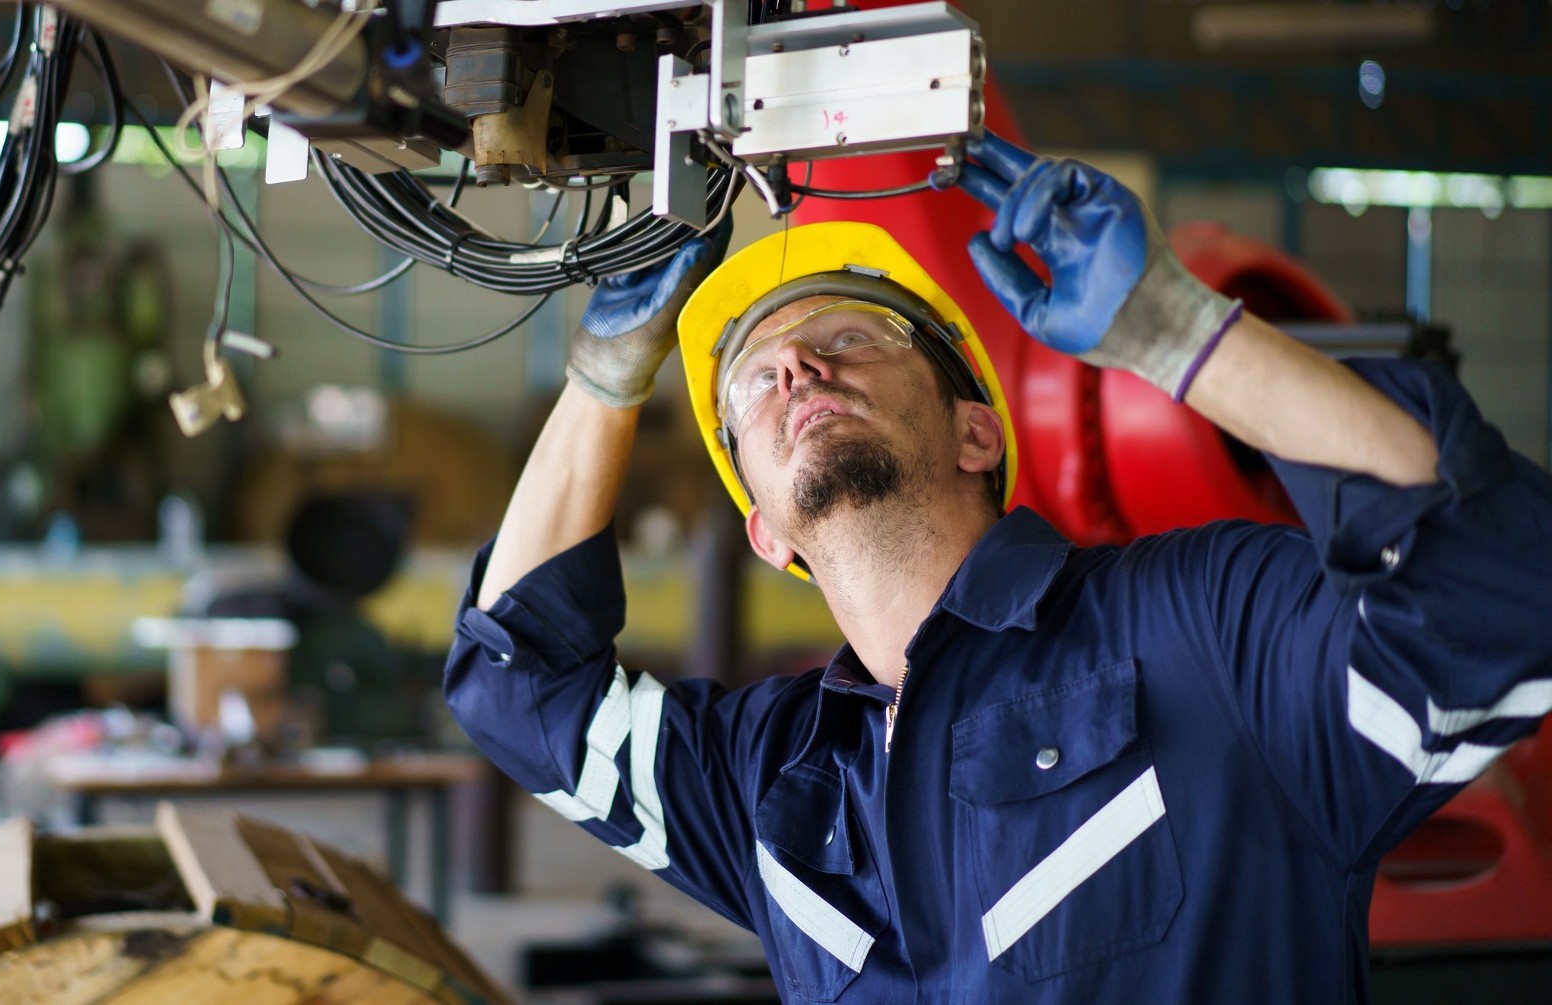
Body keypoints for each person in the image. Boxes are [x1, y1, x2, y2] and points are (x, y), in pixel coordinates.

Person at [443, 133, 1552, 1003]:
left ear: (978, 432)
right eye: (750, 385)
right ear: (766, 534)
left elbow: (1493, 580)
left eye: (857, 335)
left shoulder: (1201, 639)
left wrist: (1173, 332)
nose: (793, 364)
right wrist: (599, 378)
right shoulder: (774, 783)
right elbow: (514, 683)